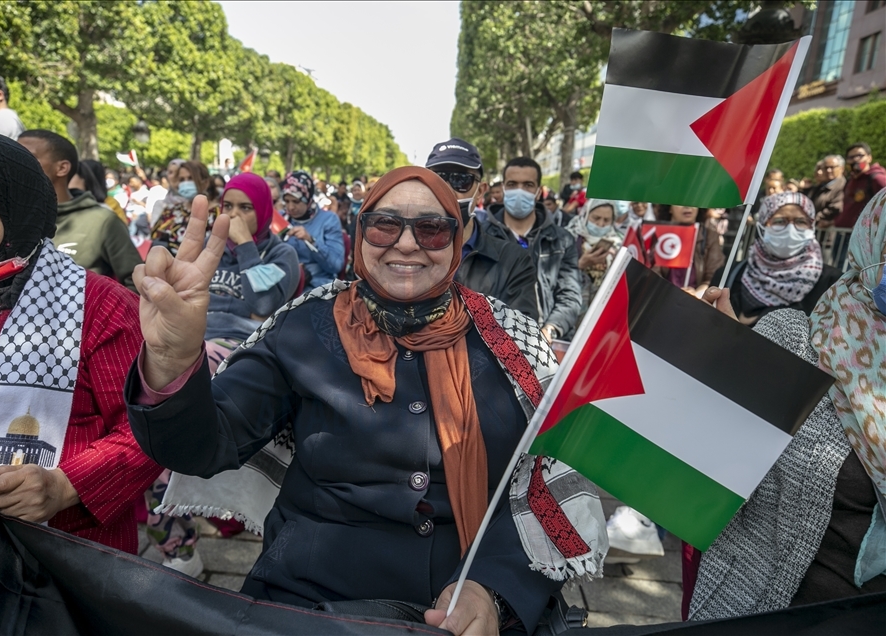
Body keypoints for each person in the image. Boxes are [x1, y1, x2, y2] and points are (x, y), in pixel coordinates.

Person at [125, 166, 606, 635]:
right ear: (359, 234)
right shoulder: (304, 326)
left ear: (457, 240)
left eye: (433, 229)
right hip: (305, 602)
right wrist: (171, 361)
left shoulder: (510, 344)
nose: (407, 243)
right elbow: (203, 446)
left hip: (461, 608)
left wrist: (493, 589)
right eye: (385, 224)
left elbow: (542, 482)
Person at [0, 126, 162, 553]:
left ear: (12, 198)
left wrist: (63, 486)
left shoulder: (100, 306)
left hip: (48, 561)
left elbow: (151, 429)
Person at [689, 190, 886, 619]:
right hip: (776, 610)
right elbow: (701, 469)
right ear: (873, 242)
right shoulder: (798, 342)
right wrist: (725, 359)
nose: (789, 231)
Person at [424, 138, 538, 319]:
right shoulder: (401, 248)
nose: (445, 190)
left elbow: (522, 335)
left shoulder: (514, 261)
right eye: (437, 179)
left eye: (460, 180)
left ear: (480, 191)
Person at [18, 130, 141, 290]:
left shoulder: (102, 221)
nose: (15, 163)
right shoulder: (8, 219)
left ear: (62, 168)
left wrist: (99, 313)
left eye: (27, 156)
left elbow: (138, 284)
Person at [485, 157, 583, 343]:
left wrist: (551, 329)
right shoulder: (482, 236)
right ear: (504, 189)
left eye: (528, 185)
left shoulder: (561, 240)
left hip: (545, 345)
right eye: (512, 184)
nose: (520, 191)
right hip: (493, 344)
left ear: (538, 192)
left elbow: (570, 294)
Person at [712, 192, 841, 327]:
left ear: (812, 226)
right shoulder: (728, 274)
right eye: (780, 221)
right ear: (762, 225)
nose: (790, 229)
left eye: (801, 221)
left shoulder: (832, 284)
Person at [206, 173, 301, 350]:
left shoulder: (281, 254)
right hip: (197, 332)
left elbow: (263, 306)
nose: (233, 214)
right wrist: (245, 310)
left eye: (245, 208)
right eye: (227, 206)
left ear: (262, 210)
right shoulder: (211, 245)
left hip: (246, 343)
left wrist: (245, 245)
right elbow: (188, 298)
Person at [281, 170, 344, 291]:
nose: (290, 207)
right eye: (287, 201)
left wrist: (311, 241)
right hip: (285, 286)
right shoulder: (281, 219)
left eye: (296, 201)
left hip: (317, 287)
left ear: (307, 198)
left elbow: (336, 265)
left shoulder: (329, 220)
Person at [151, 160, 219, 256]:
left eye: (191, 178)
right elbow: (155, 238)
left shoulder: (218, 215)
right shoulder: (169, 212)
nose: (186, 184)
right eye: (182, 179)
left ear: (206, 182)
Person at [653, 204, 725, 294]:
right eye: (680, 202)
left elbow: (714, 276)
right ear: (669, 208)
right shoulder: (656, 234)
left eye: (693, 201)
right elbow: (652, 273)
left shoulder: (710, 236)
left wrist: (696, 295)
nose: (687, 207)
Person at [566, 199, 624, 294]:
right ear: (586, 215)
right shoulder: (567, 237)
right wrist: (580, 264)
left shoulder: (619, 243)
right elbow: (552, 274)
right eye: (596, 218)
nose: (601, 224)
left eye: (606, 220)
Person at [839, 142, 886, 229]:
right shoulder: (849, 181)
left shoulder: (877, 179)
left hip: (863, 236)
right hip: (844, 233)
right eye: (851, 157)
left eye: (860, 155)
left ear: (869, 158)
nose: (855, 159)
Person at [810, 155, 846, 228]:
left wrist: (814, 219)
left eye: (832, 167)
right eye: (826, 167)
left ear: (841, 168)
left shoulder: (843, 186)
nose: (828, 170)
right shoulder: (820, 186)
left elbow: (836, 207)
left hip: (829, 232)